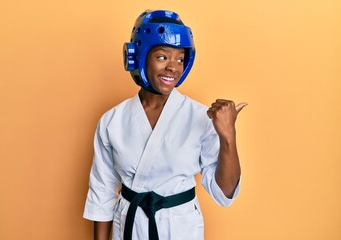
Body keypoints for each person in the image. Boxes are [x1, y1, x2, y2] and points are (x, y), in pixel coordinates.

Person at [83, 9, 247, 240]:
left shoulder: (201, 117)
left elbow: (224, 193)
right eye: (162, 57)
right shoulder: (113, 120)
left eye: (180, 59)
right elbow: (101, 192)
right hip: (129, 225)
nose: (173, 67)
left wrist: (228, 137)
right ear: (137, 57)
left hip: (179, 228)